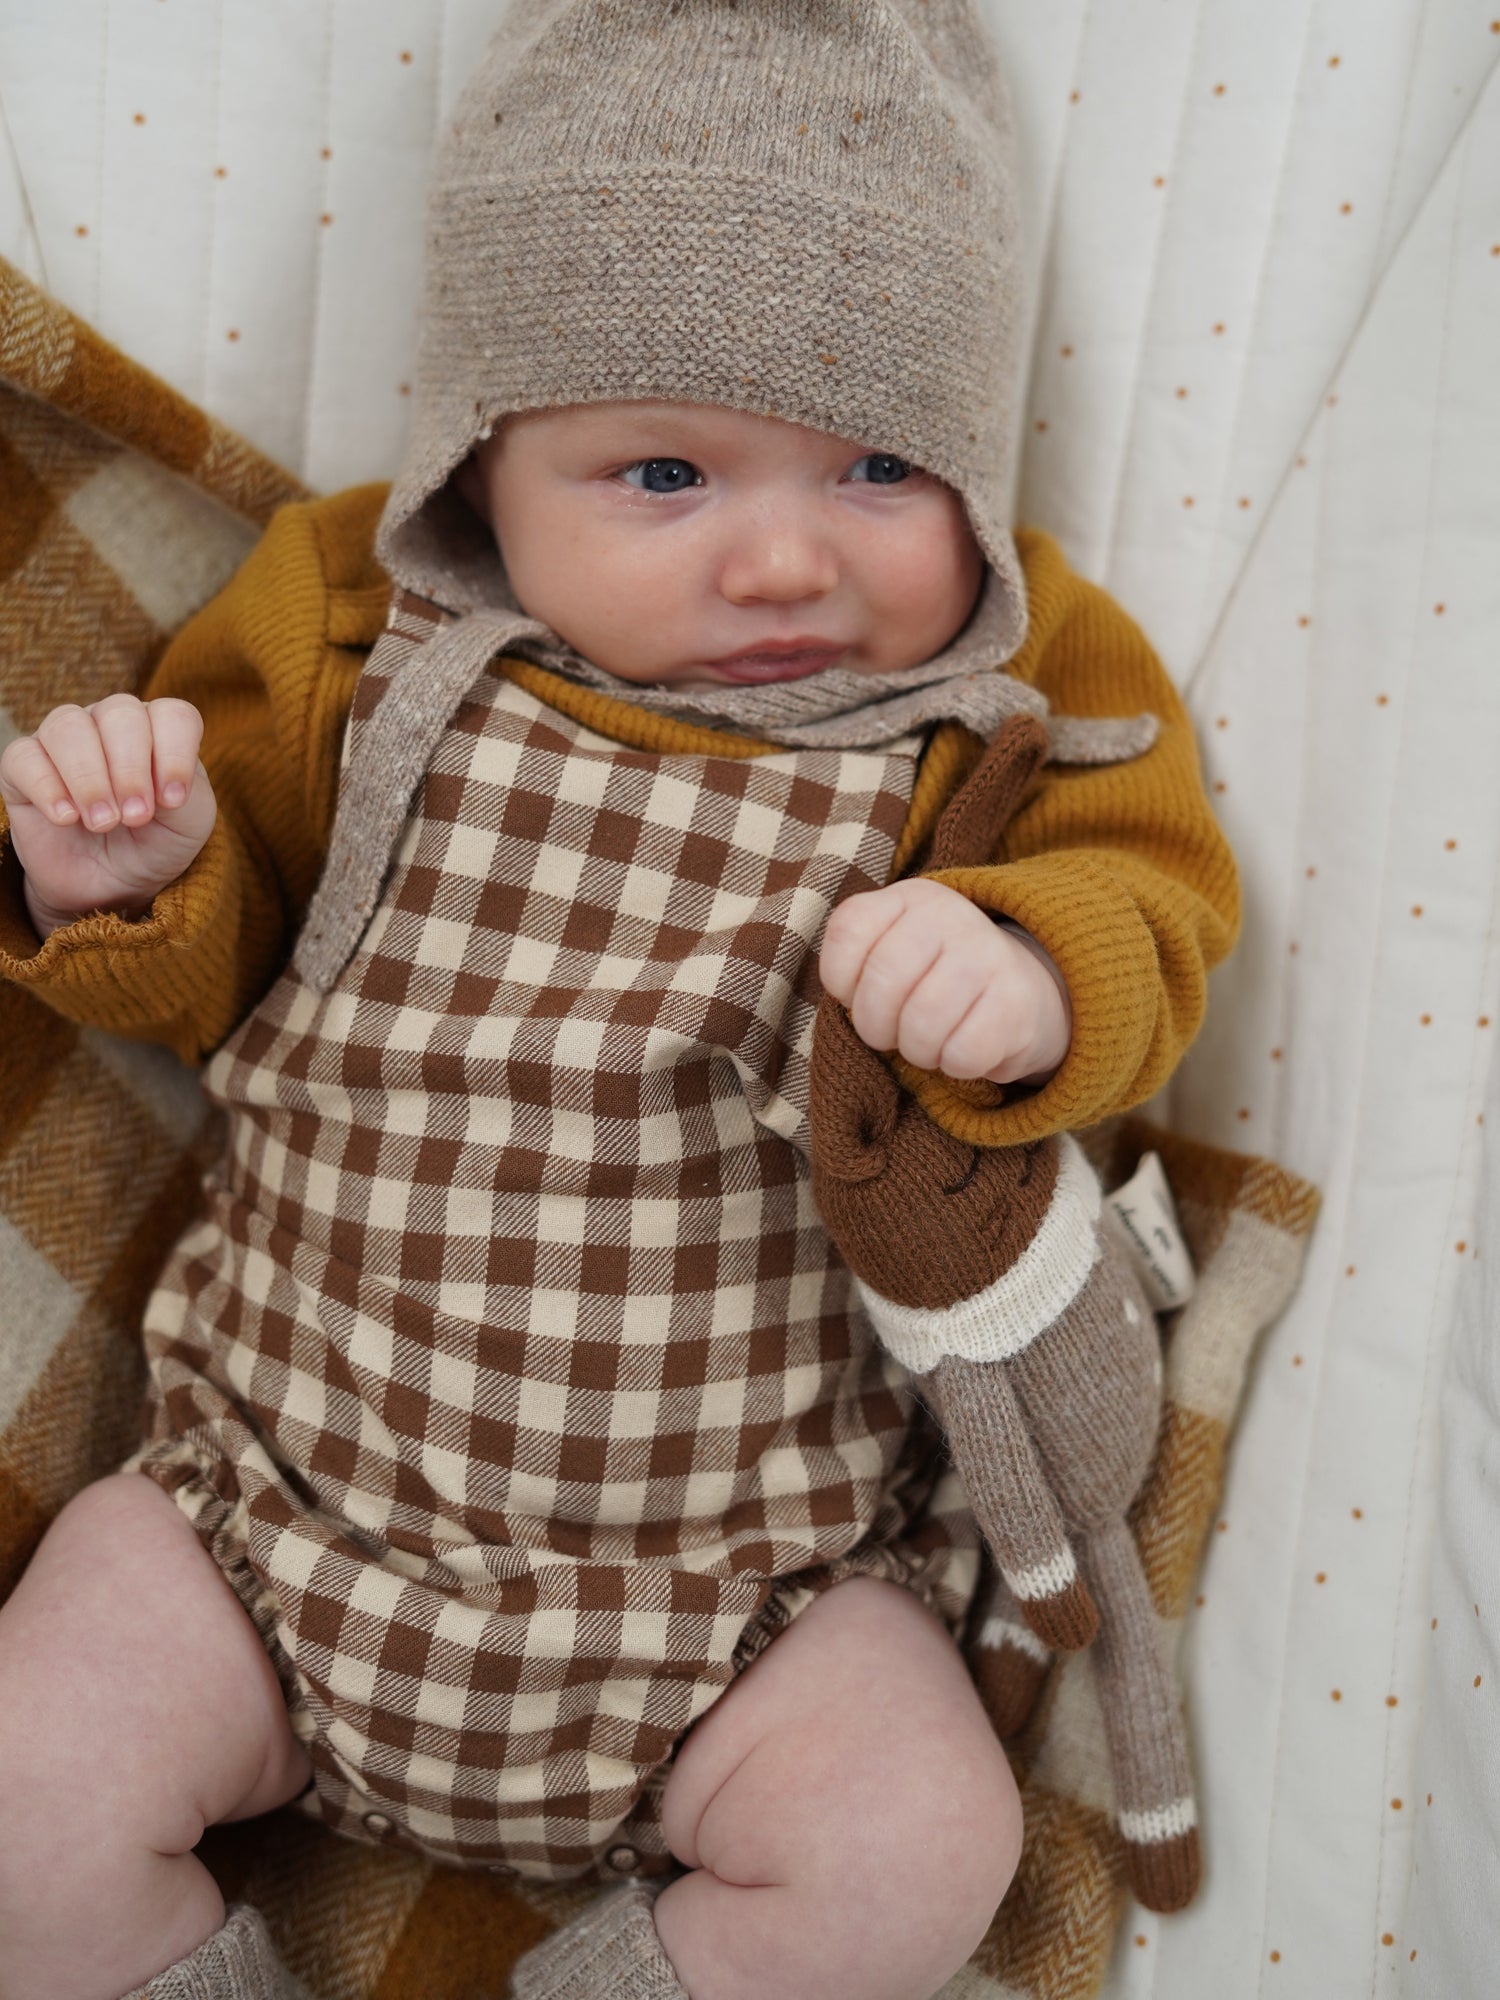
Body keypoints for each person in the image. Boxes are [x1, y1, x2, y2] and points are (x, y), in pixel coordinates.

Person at [0, 4, 1238, 1997]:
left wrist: (1030, 969)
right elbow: (204, 982)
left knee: (929, 1840)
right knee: (19, 1790)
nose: (779, 558)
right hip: (271, 1523)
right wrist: (125, 880)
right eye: (662, 470)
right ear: (484, 459)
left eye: (882, 466)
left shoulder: (1016, 688)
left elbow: (1160, 894)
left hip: (747, 1607)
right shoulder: (351, 621)